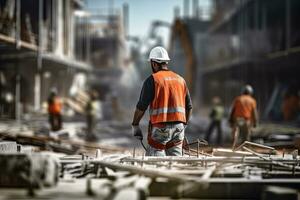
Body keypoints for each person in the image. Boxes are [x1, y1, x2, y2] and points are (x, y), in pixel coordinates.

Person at [131, 46, 193, 156]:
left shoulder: (152, 80)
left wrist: (135, 125)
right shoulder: (180, 80)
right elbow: (189, 107)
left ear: (154, 64)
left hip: (161, 128)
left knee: (156, 163)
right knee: (175, 162)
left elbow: (141, 107)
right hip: (179, 127)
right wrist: (184, 125)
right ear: (166, 62)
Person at [229, 85, 258, 149]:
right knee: (246, 136)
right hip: (246, 120)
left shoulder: (238, 99)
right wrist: (255, 122)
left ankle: (234, 149)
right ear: (250, 92)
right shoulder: (252, 100)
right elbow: (254, 112)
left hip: (237, 119)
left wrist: (231, 120)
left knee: (236, 135)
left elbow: (233, 110)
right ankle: (245, 149)